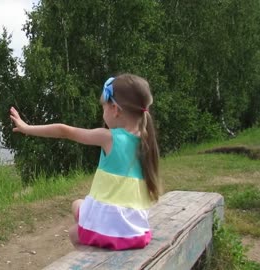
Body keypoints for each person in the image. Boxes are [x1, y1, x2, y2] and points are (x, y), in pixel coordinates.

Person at [9, 73, 162, 250]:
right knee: (78, 221)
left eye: (103, 107)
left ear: (115, 109)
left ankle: (90, 253)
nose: (102, 112)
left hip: (111, 230)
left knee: (76, 212)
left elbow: (63, 131)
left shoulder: (109, 138)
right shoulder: (146, 140)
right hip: (135, 233)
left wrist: (26, 128)